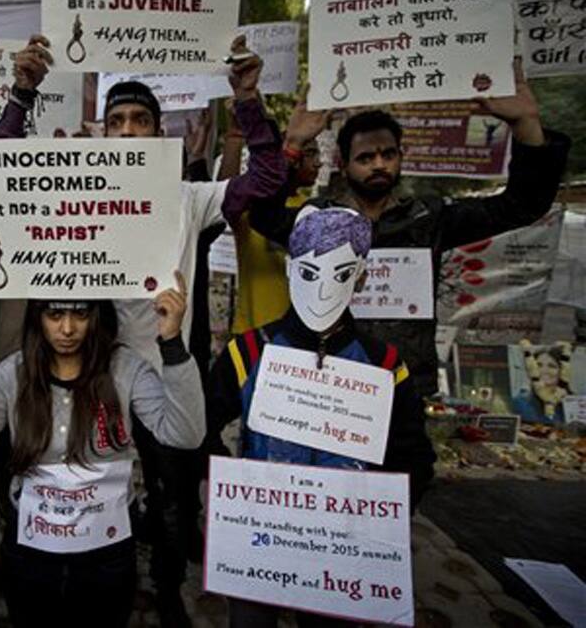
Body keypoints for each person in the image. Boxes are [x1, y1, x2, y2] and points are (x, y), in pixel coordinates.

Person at [0, 34, 286, 626]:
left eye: (140, 120)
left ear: (158, 133)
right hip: (77, 372)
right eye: (117, 120)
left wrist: (247, 100)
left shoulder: (189, 198)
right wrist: (22, 92)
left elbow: (269, 177)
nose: (127, 130)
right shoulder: (70, 184)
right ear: (103, 134)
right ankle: (33, 561)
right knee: (54, 474)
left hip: (163, 373)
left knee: (174, 493)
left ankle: (168, 584)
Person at [244, 59, 571, 398]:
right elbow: (263, 216)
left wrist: (526, 125)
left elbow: (521, 206)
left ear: (402, 155)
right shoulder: (316, 218)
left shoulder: (428, 218)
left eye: (388, 154)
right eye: (366, 158)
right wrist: (293, 145)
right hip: (326, 385)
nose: (379, 165)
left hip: (406, 386)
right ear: (343, 163)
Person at [206, 207, 435, 627]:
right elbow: (200, 426)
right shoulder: (249, 351)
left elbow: (413, 455)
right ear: (291, 270)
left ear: (362, 277)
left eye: (343, 274)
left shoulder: (384, 364)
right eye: (311, 274)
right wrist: (232, 494)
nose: (326, 293)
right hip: (260, 540)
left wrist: (378, 520)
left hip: (342, 548)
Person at [0, 271, 205, 628]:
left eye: (80, 315)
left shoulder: (124, 368)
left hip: (108, 554)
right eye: (55, 315)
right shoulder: (12, 373)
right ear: (38, 318)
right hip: (31, 552)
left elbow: (185, 433)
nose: (67, 329)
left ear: (97, 316)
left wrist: (172, 344)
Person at [216, 92, 331, 333]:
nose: (318, 163)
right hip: (252, 337)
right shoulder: (253, 205)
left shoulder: (313, 210)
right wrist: (236, 136)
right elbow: (223, 195)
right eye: (310, 153)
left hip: (301, 340)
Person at [512, 342, 572, 424]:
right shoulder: (520, 402)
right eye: (538, 365)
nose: (544, 371)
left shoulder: (573, 402)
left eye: (552, 366)